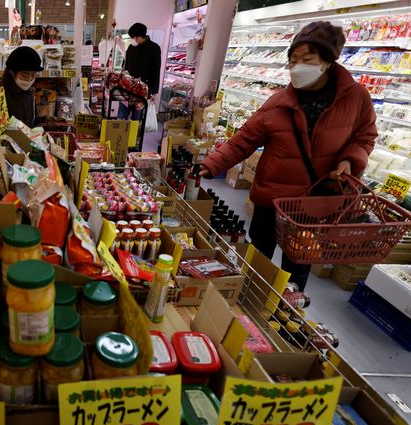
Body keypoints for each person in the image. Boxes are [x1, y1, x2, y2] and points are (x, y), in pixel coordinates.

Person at [199, 21, 377, 290]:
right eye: (293, 60)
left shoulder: (356, 99)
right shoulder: (278, 102)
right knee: (258, 260)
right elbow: (243, 140)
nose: (297, 67)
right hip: (272, 198)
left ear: (328, 62)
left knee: (297, 269)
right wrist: (210, 164)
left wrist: (349, 161)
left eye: (307, 59)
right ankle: (249, 304)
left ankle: (284, 319)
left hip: (316, 202)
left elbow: (365, 136)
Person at [1, 46, 43, 126]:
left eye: (33, 75)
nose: (29, 79)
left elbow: (30, 122)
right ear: (12, 72)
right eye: (24, 75)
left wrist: (46, 120)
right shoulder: (0, 94)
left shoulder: (30, 92)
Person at [124, 22, 161, 101]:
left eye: (135, 38)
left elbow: (156, 69)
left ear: (140, 36)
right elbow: (126, 64)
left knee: (139, 111)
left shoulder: (154, 48)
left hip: (144, 87)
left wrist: (154, 91)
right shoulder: (131, 47)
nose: (134, 40)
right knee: (123, 109)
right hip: (129, 86)